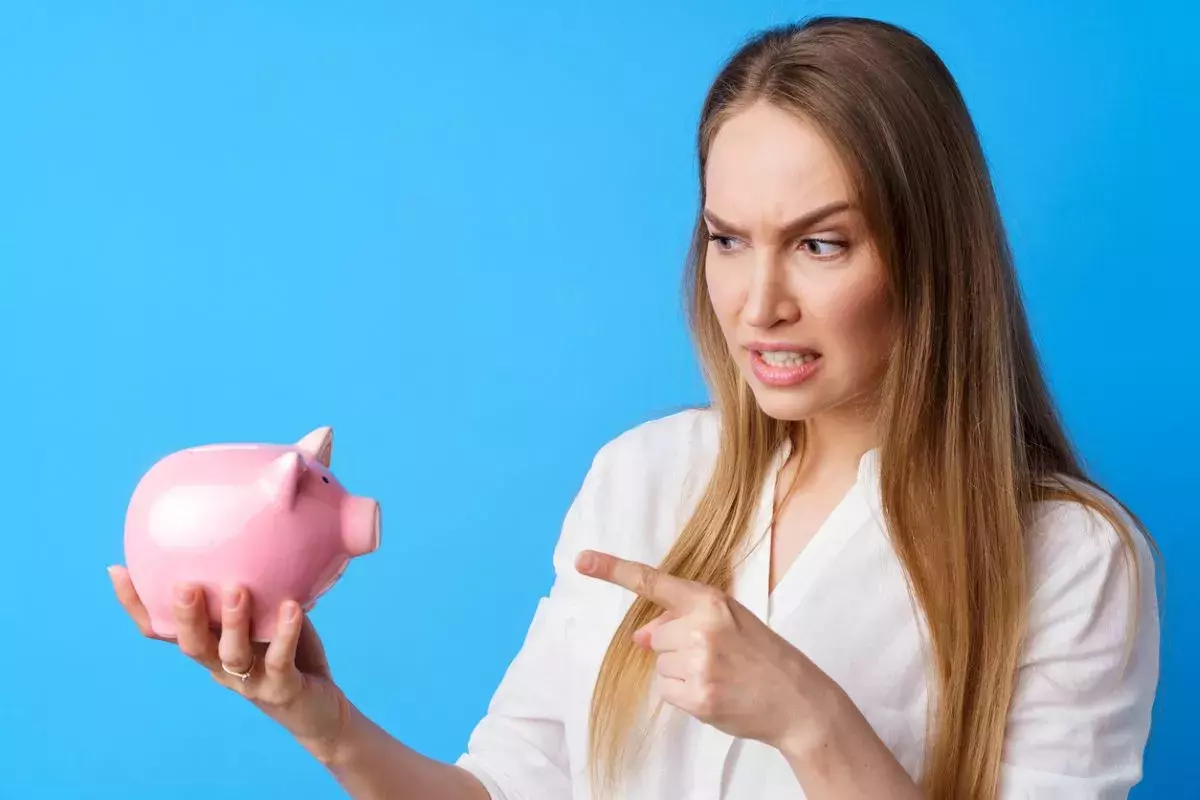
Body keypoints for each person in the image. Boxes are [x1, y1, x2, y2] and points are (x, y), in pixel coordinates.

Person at [108, 15, 1160, 800]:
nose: (759, 302)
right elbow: (508, 788)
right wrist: (318, 718)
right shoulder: (645, 477)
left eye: (821, 242)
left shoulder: (1069, 554)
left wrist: (807, 715)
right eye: (729, 237)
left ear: (931, 256)